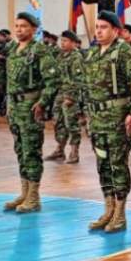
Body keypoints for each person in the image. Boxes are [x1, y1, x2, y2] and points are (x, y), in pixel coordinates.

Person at [79, 11, 131, 232]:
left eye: (104, 27)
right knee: (103, 164)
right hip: (97, 120)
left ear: (116, 31)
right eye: (97, 27)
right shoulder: (92, 54)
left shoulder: (125, 52)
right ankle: (108, 208)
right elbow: (87, 88)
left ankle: (120, 212)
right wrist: (86, 114)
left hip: (117, 119)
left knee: (118, 164)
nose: (99, 31)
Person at [2, 12, 58, 214]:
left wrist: (42, 103)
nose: (18, 29)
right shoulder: (14, 50)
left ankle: (34, 197)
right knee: (20, 150)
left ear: (34, 29)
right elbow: (11, 81)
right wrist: (9, 103)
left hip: (30, 107)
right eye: (16, 26)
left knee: (31, 150)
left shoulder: (40, 50)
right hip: (15, 107)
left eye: (23, 26)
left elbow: (53, 81)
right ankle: (24, 192)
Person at [45, 30, 84, 164]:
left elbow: (78, 80)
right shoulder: (60, 56)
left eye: (65, 41)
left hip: (70, 96)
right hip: (60, 93)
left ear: (74, 43)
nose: (62, 43)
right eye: (62, 40)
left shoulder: (76, 57)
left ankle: (74, 152)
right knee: (58, 122)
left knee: (71, 123)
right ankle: (60, 150)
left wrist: (71, 97)